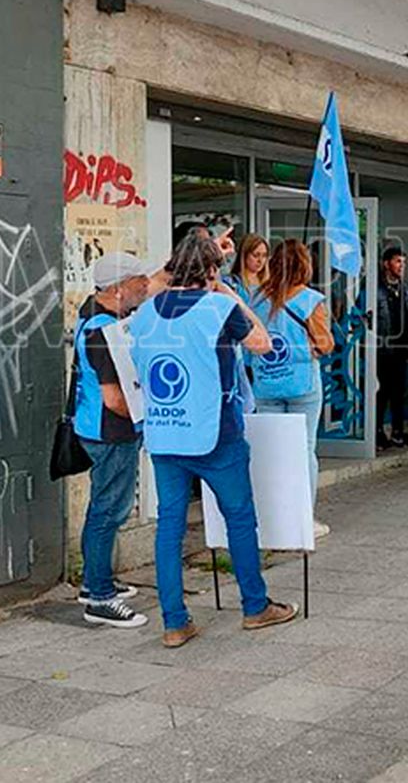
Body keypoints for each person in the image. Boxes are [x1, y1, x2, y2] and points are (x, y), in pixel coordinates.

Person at [128, 232, 298, 647]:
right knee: (239, 518)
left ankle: (174, 622)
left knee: (169, 525)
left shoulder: (146, 313)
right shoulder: (219, 307)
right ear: (210, 271)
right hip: (215, 434)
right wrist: (229, 294)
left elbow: (150, 292)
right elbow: (262, 343)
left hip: (165, 435)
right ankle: (255, 607)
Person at [72, 252, 154, 629]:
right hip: (112, 432)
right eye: (138, 280)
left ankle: (94, 584)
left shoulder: (90, 314)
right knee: (109, 511)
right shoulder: (105, 333)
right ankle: (100, 597)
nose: (145, 286)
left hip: (94, 428)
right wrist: (145, 418)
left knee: (101, 509)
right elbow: (114, 399)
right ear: (119, 288)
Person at [251, 238, 334, 505]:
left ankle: (272, 515)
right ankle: (301, 519)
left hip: (265, 383)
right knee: (303, 449)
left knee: (271, 451)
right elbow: (325, 345)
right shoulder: (311, 300)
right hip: (302, 386)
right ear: (305, 266)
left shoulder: (257, 298)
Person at [377, 244, 408, 450]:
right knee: (381, 392)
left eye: (403, 262)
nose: (401, 266)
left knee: (399, 391)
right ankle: (377, 432)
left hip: (401, 348)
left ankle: (398, 431)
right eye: (398, 261)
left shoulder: (405, 289)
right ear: (386, 264)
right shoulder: (374, 288)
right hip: (380, 349)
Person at [227, 232, 269, 303]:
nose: (260, 260)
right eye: (256, 255)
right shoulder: (233, 283)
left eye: (264, 256)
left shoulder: (270, 283)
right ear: (244, 255)